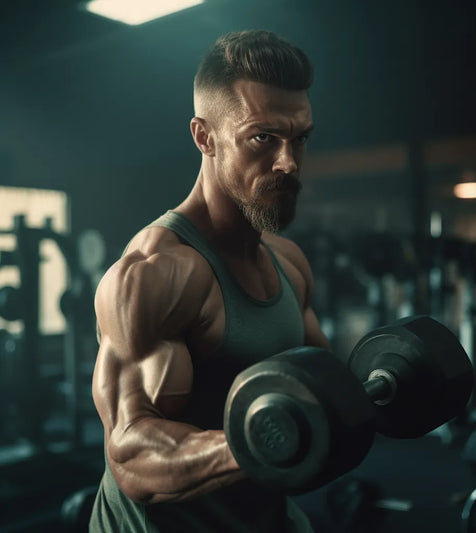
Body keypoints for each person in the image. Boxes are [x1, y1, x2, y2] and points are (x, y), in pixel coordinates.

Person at [89, 30, 329, 533]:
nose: (288, 162)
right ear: (205, 137)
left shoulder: (289, 263)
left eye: (300, 138)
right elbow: (132, 453)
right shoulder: (159, 271)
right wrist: (263, 437)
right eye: (263, 138)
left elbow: (326, 391)